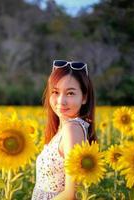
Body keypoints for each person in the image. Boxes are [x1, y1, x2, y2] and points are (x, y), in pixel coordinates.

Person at [31, 60, 97, 200]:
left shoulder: (71, 130)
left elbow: (70, 195)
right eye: (55, 92)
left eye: (70, 93)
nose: (61, 101)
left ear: (84, 97)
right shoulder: (65, 129)